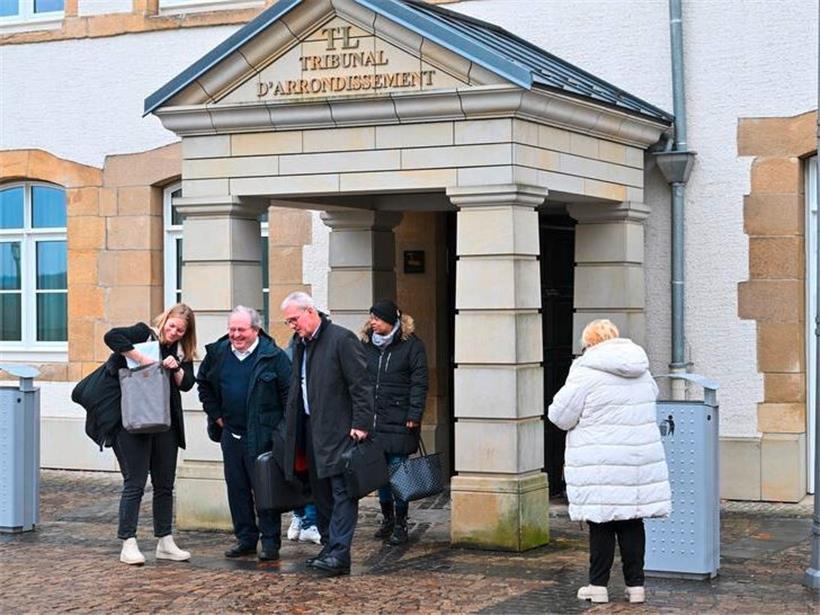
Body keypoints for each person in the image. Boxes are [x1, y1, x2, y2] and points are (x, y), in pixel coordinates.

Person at [547, 319, 671, 605]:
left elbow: (560, 415)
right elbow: (652, 398)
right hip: (637, 457)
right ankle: (636, 586)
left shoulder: (585, 371)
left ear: (588, 344)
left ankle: (598, 585)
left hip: (600, 458)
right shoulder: (640, 368)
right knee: (631, 520)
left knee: (601, 523)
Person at [280, 291, 373, 576]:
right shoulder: (300, 343)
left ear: (310, 312)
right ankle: (329, 546)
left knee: (343, 492)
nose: (292, 325)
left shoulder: (341, 339)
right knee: (319, 493)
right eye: (288, 322)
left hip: (340, 430)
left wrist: (361, 424)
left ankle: (340, 552)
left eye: (294, 319)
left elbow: (361, 385)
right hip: (309, 429)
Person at [103, 303, 198, 566]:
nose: (175, 332)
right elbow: (111, 337)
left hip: (165, 424)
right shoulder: (143, 333)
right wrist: (143, 359)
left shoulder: (181, 351)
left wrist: (175, 368)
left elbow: (188, 384)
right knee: (134, 483)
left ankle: (165, 542)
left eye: (180, 330)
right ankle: (128, 542)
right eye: (172, 326)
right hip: (131, 422)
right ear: (165, 320)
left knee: (165, 485)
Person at [196, 305, 291, 562]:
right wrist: (216, 416)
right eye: (231, 329)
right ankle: (246, 539)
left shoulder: (273, 356)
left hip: (262, 436)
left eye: (241, 330)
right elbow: (203, 384)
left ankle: (270, 542)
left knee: (265, 490)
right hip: (231, 435)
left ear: (255, 330)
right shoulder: (218, 354)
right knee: (236, 489)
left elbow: (289, 395)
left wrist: (280, 431)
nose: (235, 335)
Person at [360, 300, 428, 545]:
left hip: (400, 419)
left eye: (376, 318)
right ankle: (387, 518)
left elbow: (420, 383)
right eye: (371, 318)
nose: (372, 323)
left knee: (398, 472)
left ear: (390, 321)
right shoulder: (366, 344)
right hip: (374, 420)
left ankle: (401, 522)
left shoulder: (412, 346)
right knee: (380, 475)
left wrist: (414, 415)